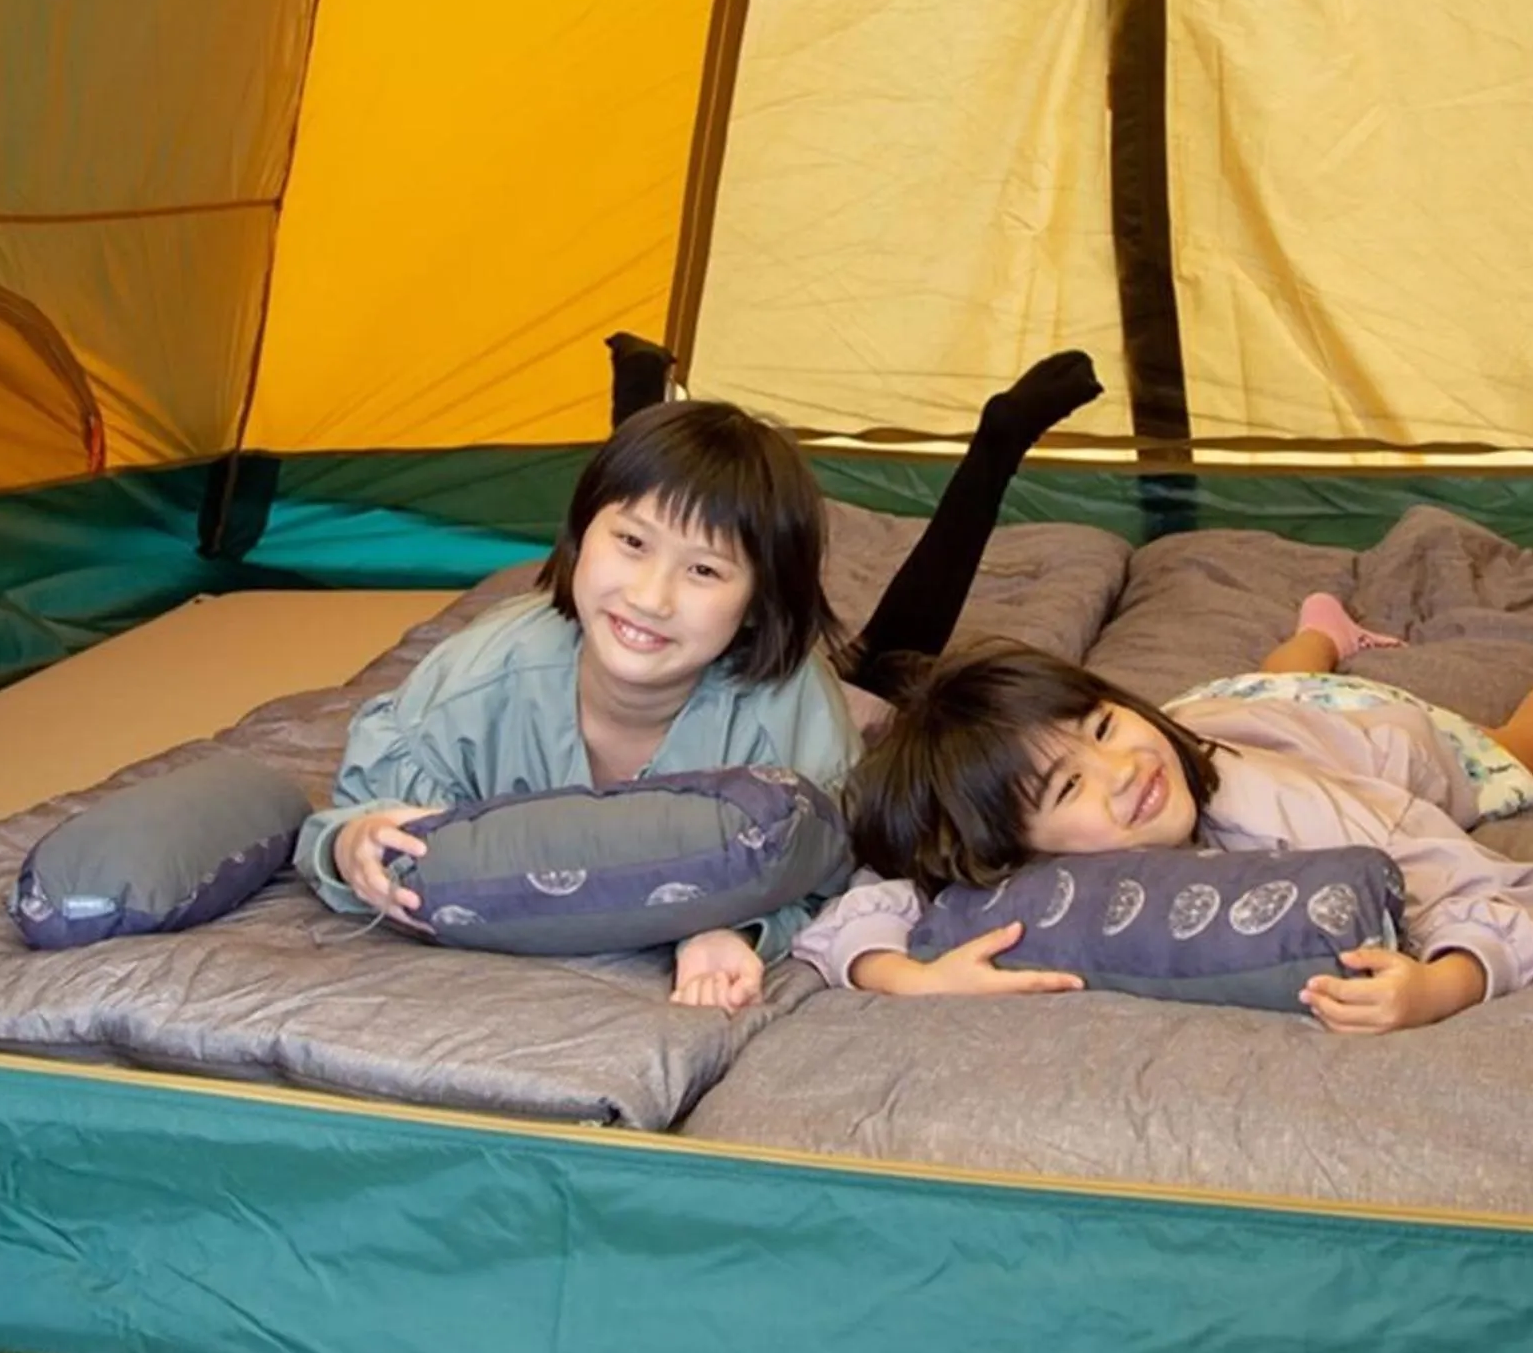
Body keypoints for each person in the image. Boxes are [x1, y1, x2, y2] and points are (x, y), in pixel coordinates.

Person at [299, 342, 1104, 1012]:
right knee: (659, 604)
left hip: (847, 712)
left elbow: (837, 875)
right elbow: (358, 812)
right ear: (581, 536)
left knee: (900, 664)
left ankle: (995, 443)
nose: (651, 595)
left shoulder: (791, 717)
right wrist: (353, 846)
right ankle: (646, 424)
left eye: (707, 569)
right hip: (733, 657)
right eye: (631, 543)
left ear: (757, 601)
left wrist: (729, 925)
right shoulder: (483, 676)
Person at [795, 602, 1533, 1033]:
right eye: (1069, 788)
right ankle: (1321, 626)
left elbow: (1495, 891)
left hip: (1350, 739)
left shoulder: (1297, 810)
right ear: (1006, 850)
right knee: (1273, 680)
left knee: (1523, 750)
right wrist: (909, 978)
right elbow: (873, 904)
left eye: (1104, 723)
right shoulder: (1023, 837)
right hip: (1225, 706)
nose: (1123, 768)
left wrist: (1441, 985)